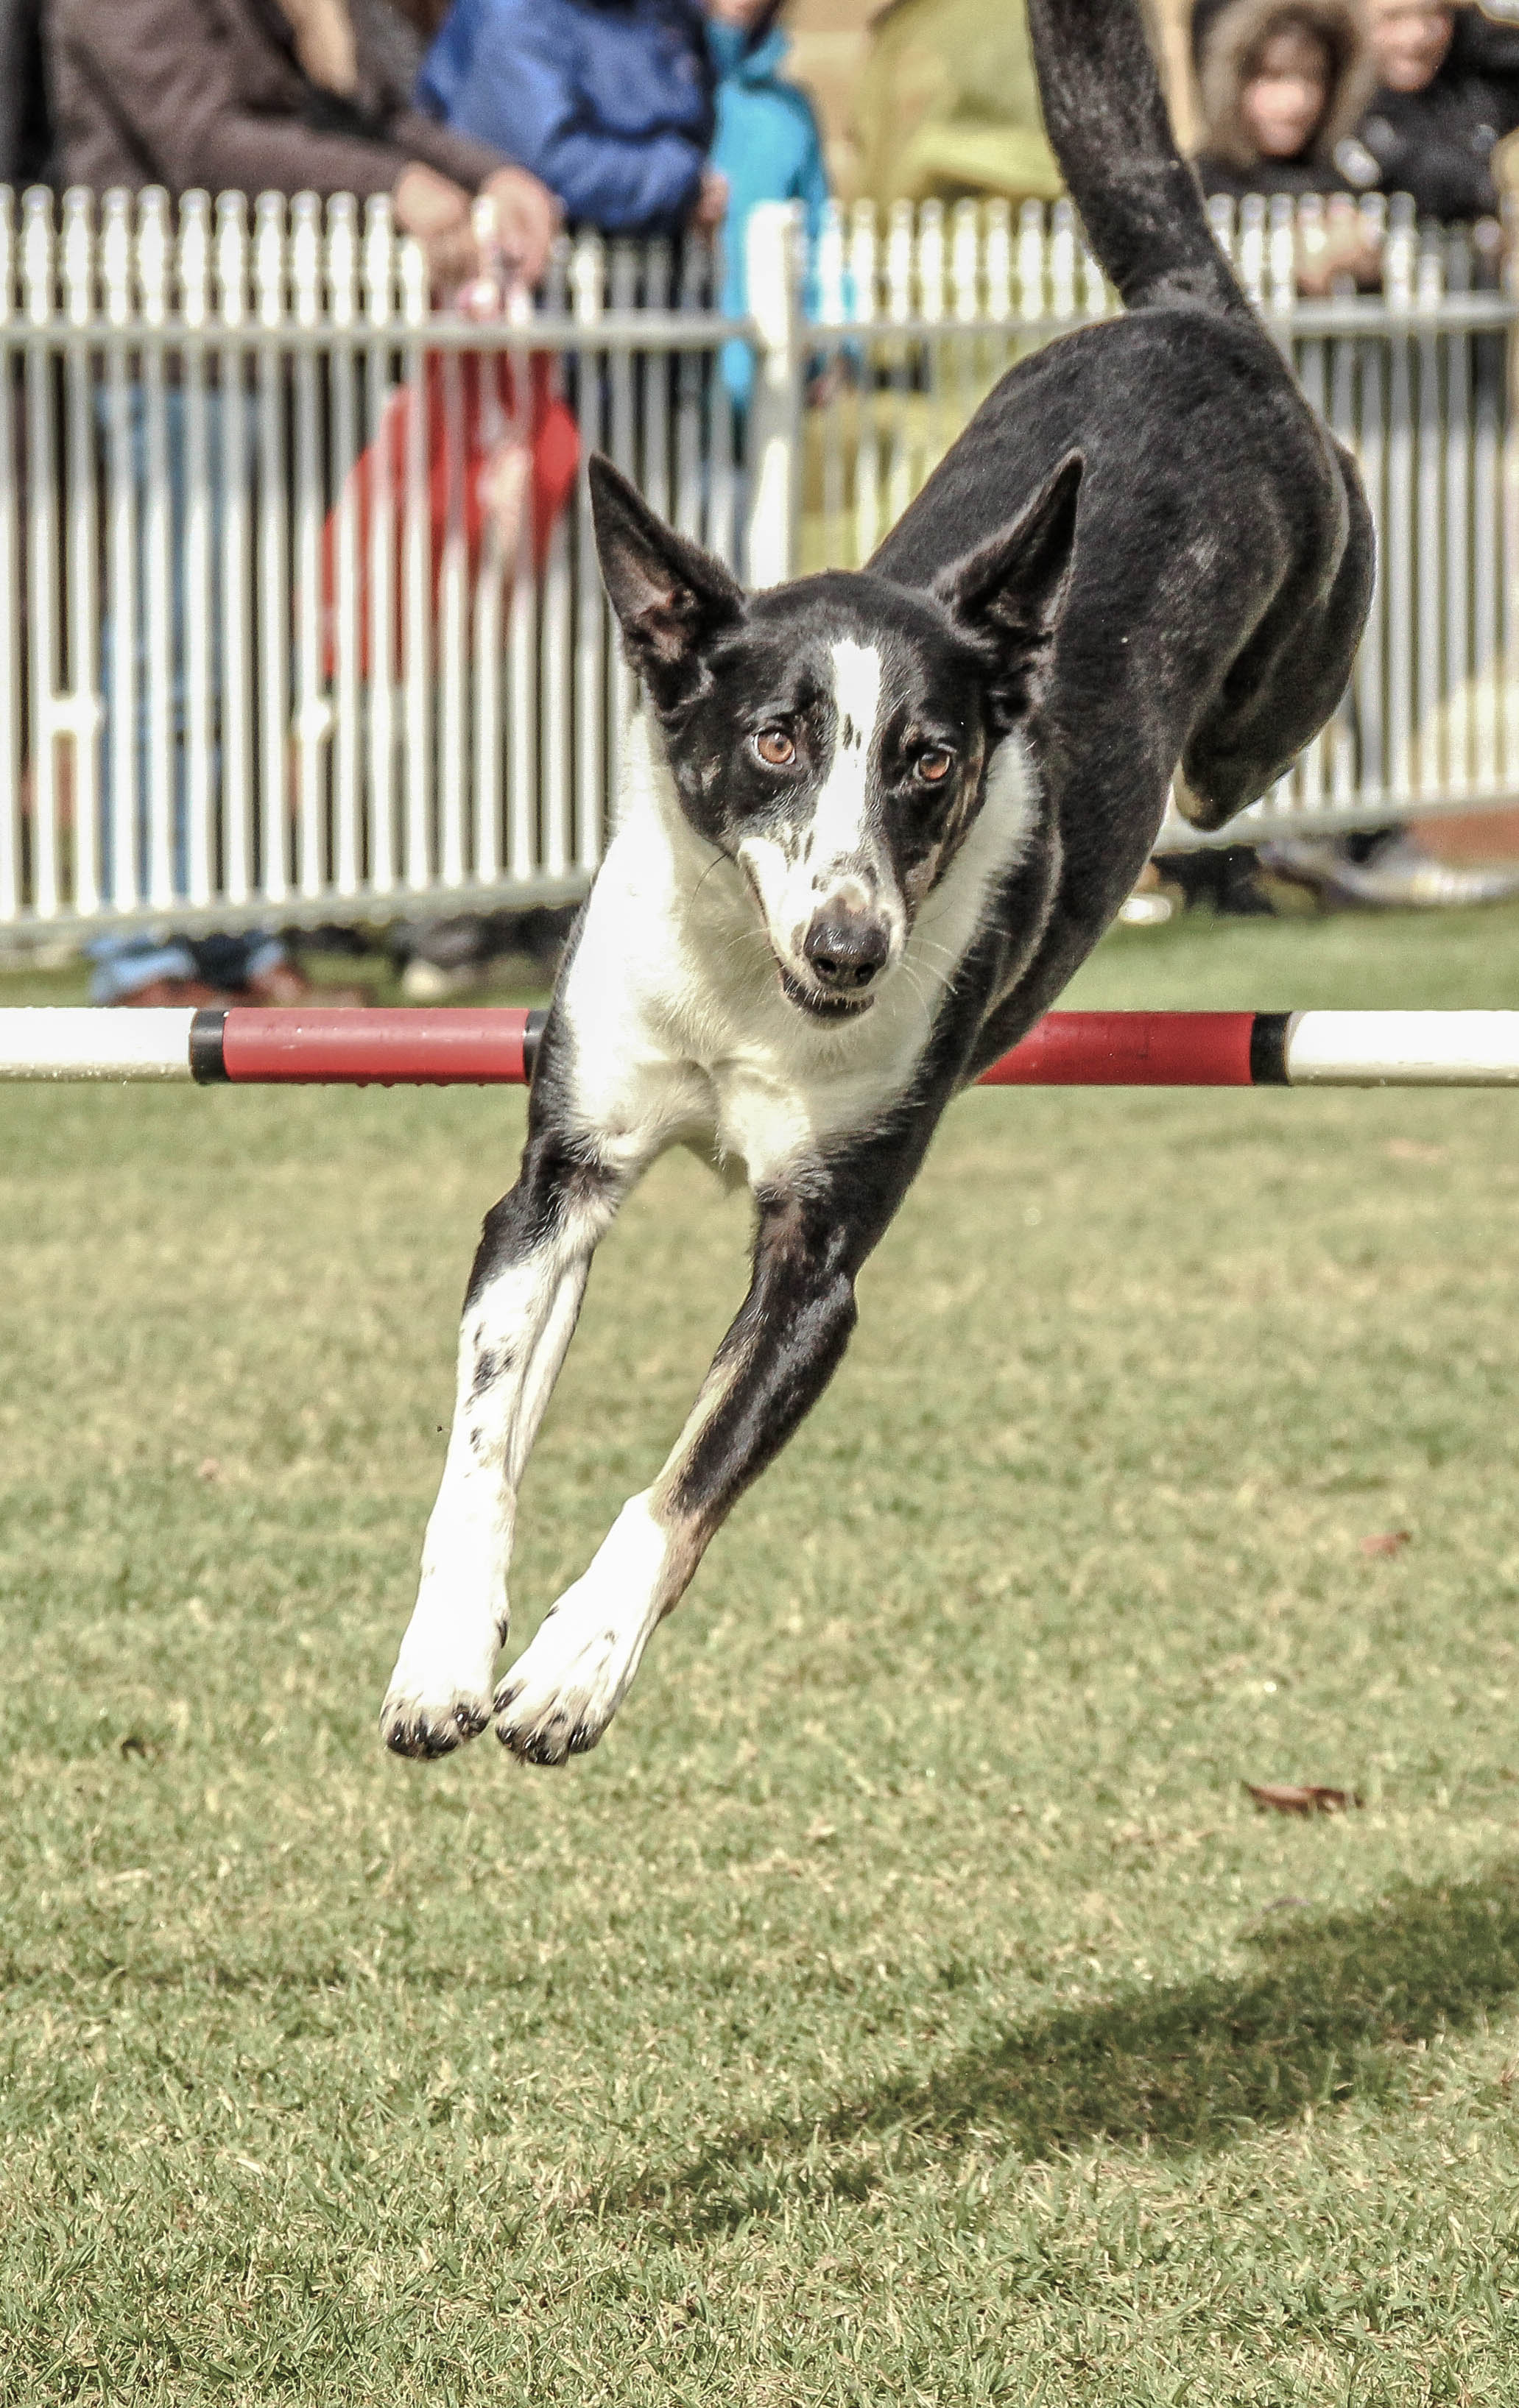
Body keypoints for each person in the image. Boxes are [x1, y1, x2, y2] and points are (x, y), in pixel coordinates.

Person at [46, 0, 559, 1003]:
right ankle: (144, 950)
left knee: (253, 666)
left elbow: (362, 116)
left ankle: (234, 934)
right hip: (171, 342)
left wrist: (482, 172)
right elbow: (200, 138)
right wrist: (397, 184)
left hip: (272, 346)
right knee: (175, 650)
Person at [417, 0, 727, 239]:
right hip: (545, 286)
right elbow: (546, 160)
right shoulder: (511, 13)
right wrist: (686, 184)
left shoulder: (660, 12)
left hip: (658, 272)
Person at [705, 0, 831, 410]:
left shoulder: (791, 113)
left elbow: (820, 237)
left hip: (775, 394)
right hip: (672, 398)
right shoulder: (663, 104)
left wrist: (831, 349)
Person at [1354, 0, 1519, 221]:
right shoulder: (1328, 105)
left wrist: (1471, 17)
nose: (1417, 35)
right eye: (1393, 17)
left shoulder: (1472, 84)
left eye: (1434, 15)